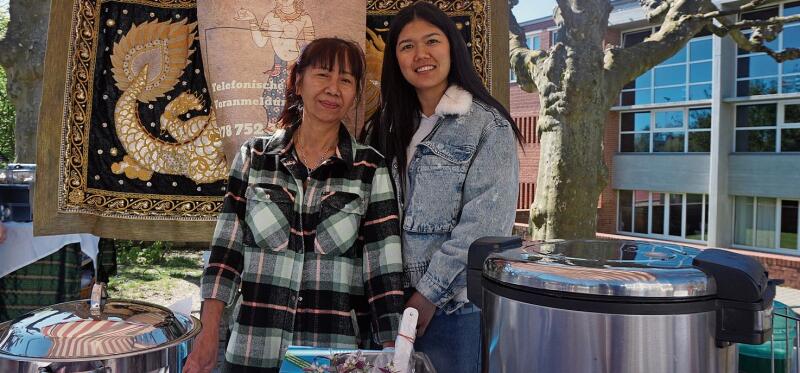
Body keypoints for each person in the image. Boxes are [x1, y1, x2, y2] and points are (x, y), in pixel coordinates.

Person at [184, 37, 404, 373]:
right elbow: (225, 255)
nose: (333, 89)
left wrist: (391, 354)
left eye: (345, 80)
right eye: (323, 75)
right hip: (252, 350)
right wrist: (208, 331)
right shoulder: (254, 158)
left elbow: (383, 273)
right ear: (298, 81)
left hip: (330, 359)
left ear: (356, 93)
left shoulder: (370, 169)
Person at [363, 2, 523, 372]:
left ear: (452, 47)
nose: (421, 54)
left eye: (431, 41)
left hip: (451, 308)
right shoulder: (384, 126)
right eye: (406, 46)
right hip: (383, 304)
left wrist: (428, 294)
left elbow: (485, 225)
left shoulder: (487, 126)